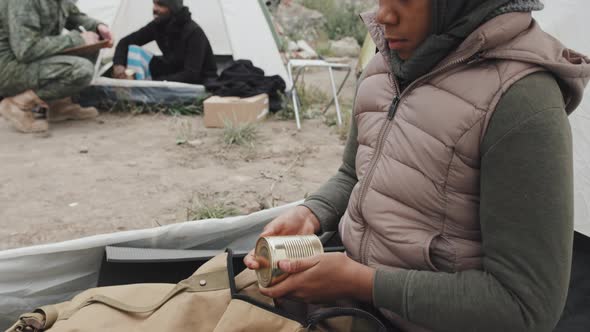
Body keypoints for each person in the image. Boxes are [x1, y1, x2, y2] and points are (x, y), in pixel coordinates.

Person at [245, 0, 590, 331]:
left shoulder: (521, 101)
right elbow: (354, 174)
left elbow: (525, 306)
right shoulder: (384, 66)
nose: (383, 15)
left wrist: (365, 283)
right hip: (351, 300)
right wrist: (312, 212)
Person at [0, 0, 113, 133]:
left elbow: (73, 16)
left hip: (29, 60)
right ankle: (17, 104)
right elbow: (26, 50)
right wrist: (77, 39)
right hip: (8, 67)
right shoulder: (23, 3)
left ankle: (60, 105)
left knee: (90, 47)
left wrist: (97, 27)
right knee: (81, 69)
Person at [112, 0, 218, 84]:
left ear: (173, 8)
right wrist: (118, 65)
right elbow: (125, 42)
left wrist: (155, 82)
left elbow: (191, 74)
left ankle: (142, 90)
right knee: (134, 50)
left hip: (198, 81)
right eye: (154, 3)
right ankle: (135, 92)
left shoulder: (193, 32)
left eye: (160, 4)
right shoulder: (158, 25)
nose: (154, 9)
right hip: (172, 72)